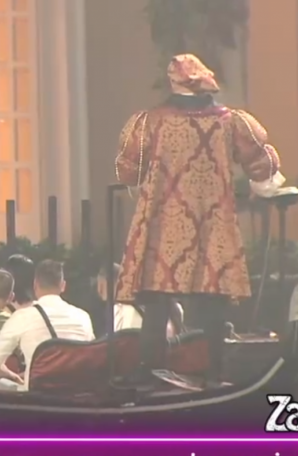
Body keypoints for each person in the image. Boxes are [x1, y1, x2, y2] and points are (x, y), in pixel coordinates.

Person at [114, 54, 281, 388]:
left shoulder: (151, 122)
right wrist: (264, 187)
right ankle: (215, 371)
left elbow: (130, 172)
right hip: (212, 221)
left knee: (157, 299)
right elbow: (262, 169)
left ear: (173, 81)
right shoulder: (231, 122)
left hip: (163, 223)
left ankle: (151, 370)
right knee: (213, 300)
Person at [0, 260, 95, 391]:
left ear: (35, 285)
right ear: (63, 286)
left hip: (36, 394)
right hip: (75, 392)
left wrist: (13, 376)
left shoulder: (23, 316)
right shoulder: (83, 316)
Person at [97, 263, 185, 336]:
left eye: (101, 286)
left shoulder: (122, 311)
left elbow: (121, 344)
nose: (99, 291)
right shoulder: (176, 308)